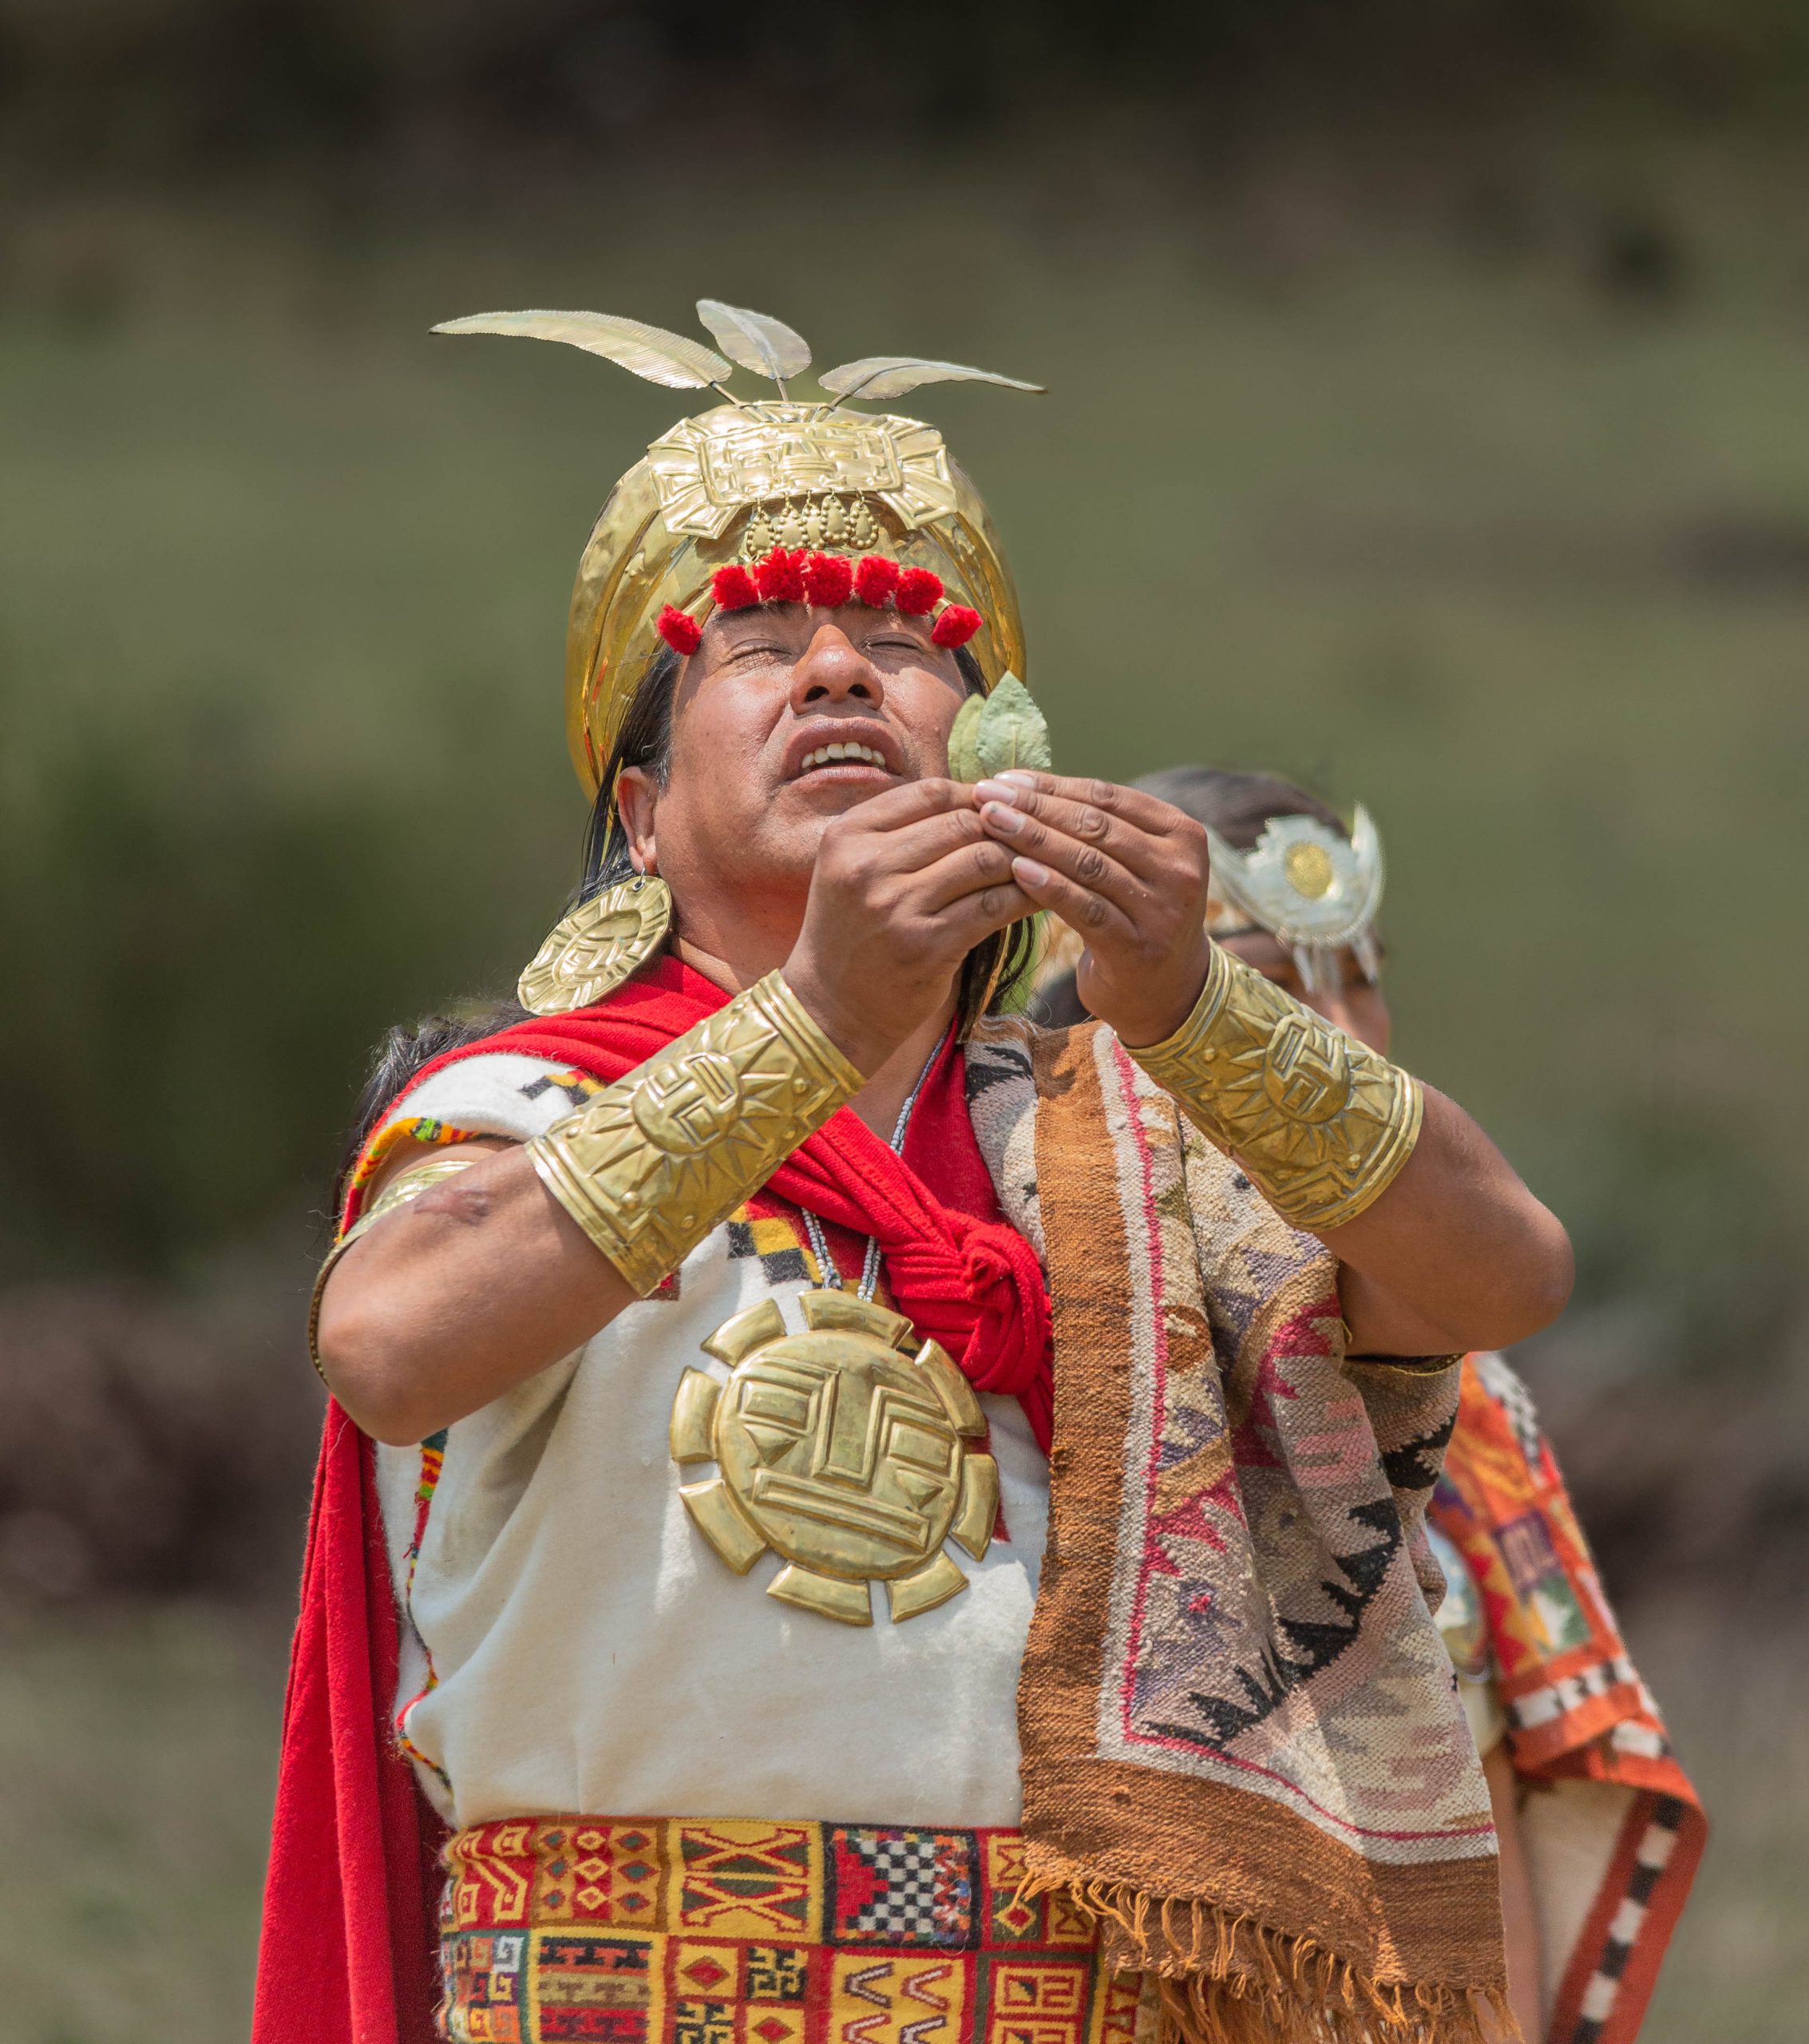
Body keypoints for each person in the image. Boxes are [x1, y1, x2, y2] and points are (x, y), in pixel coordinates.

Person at [254, 303, 1578, 2044]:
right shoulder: (519, 1107)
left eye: (903, 638)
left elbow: (1498, 1275)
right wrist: (812, 1016)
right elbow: (391, 1343)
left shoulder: (1117, 1139)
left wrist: (1189, 1007)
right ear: (638, 816)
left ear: (994, 749)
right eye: (754, 643)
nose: (835, 669)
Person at [1037, 767, 1704, 2044]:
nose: (1340, 1029)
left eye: (1361, 973)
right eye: (1273, 985)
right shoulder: (1018, 1313)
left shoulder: (1474, 1386)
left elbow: (1497, 1792)